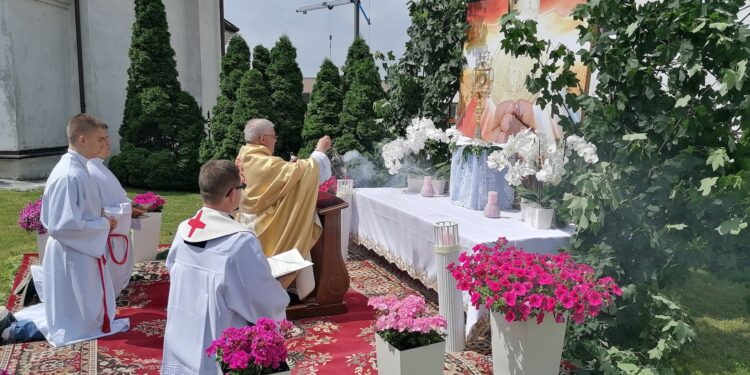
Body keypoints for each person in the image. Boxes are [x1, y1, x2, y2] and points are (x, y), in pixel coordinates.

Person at [0, 114, 129, 346]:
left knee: (78, 308)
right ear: (82, 139)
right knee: (72, 318)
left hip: (80, 250)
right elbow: (63, 225)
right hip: (72, 254)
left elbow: (79, 213)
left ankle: (14, 325)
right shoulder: (70, 175)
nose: (104, 143)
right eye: (100, 139)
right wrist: (103, 224)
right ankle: (15, 330)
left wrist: (102, 218)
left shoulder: (80, 168)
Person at [161, 160, 289, 375]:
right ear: (232, 194)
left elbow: (172, 269)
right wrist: (281, 289)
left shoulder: (185, 229)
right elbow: (260, 298)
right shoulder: (239, 241)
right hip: (220, 334)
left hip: (182, 327)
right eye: (241, 187)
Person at [235, 119, 331, 298]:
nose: (276, 140)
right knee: (301, 225)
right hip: (265, 225)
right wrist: (319, 151)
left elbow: (273, 183)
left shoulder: (245, 154)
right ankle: (271, 294)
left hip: (248, 219)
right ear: (263, 138)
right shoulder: (262, 161)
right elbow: (305, 171)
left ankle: (287, 288)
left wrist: (289, 167)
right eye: (273, 136)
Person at [88, 127, 146, 296]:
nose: (108, 143)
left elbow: (115, 198)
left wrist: (132, 205)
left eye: (107, 138)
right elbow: (95, 210)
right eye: (102, 139)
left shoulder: (100, 168)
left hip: (116, 237)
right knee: (105, 289)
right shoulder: (89, 172)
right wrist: (129, 211)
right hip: (106, 240)